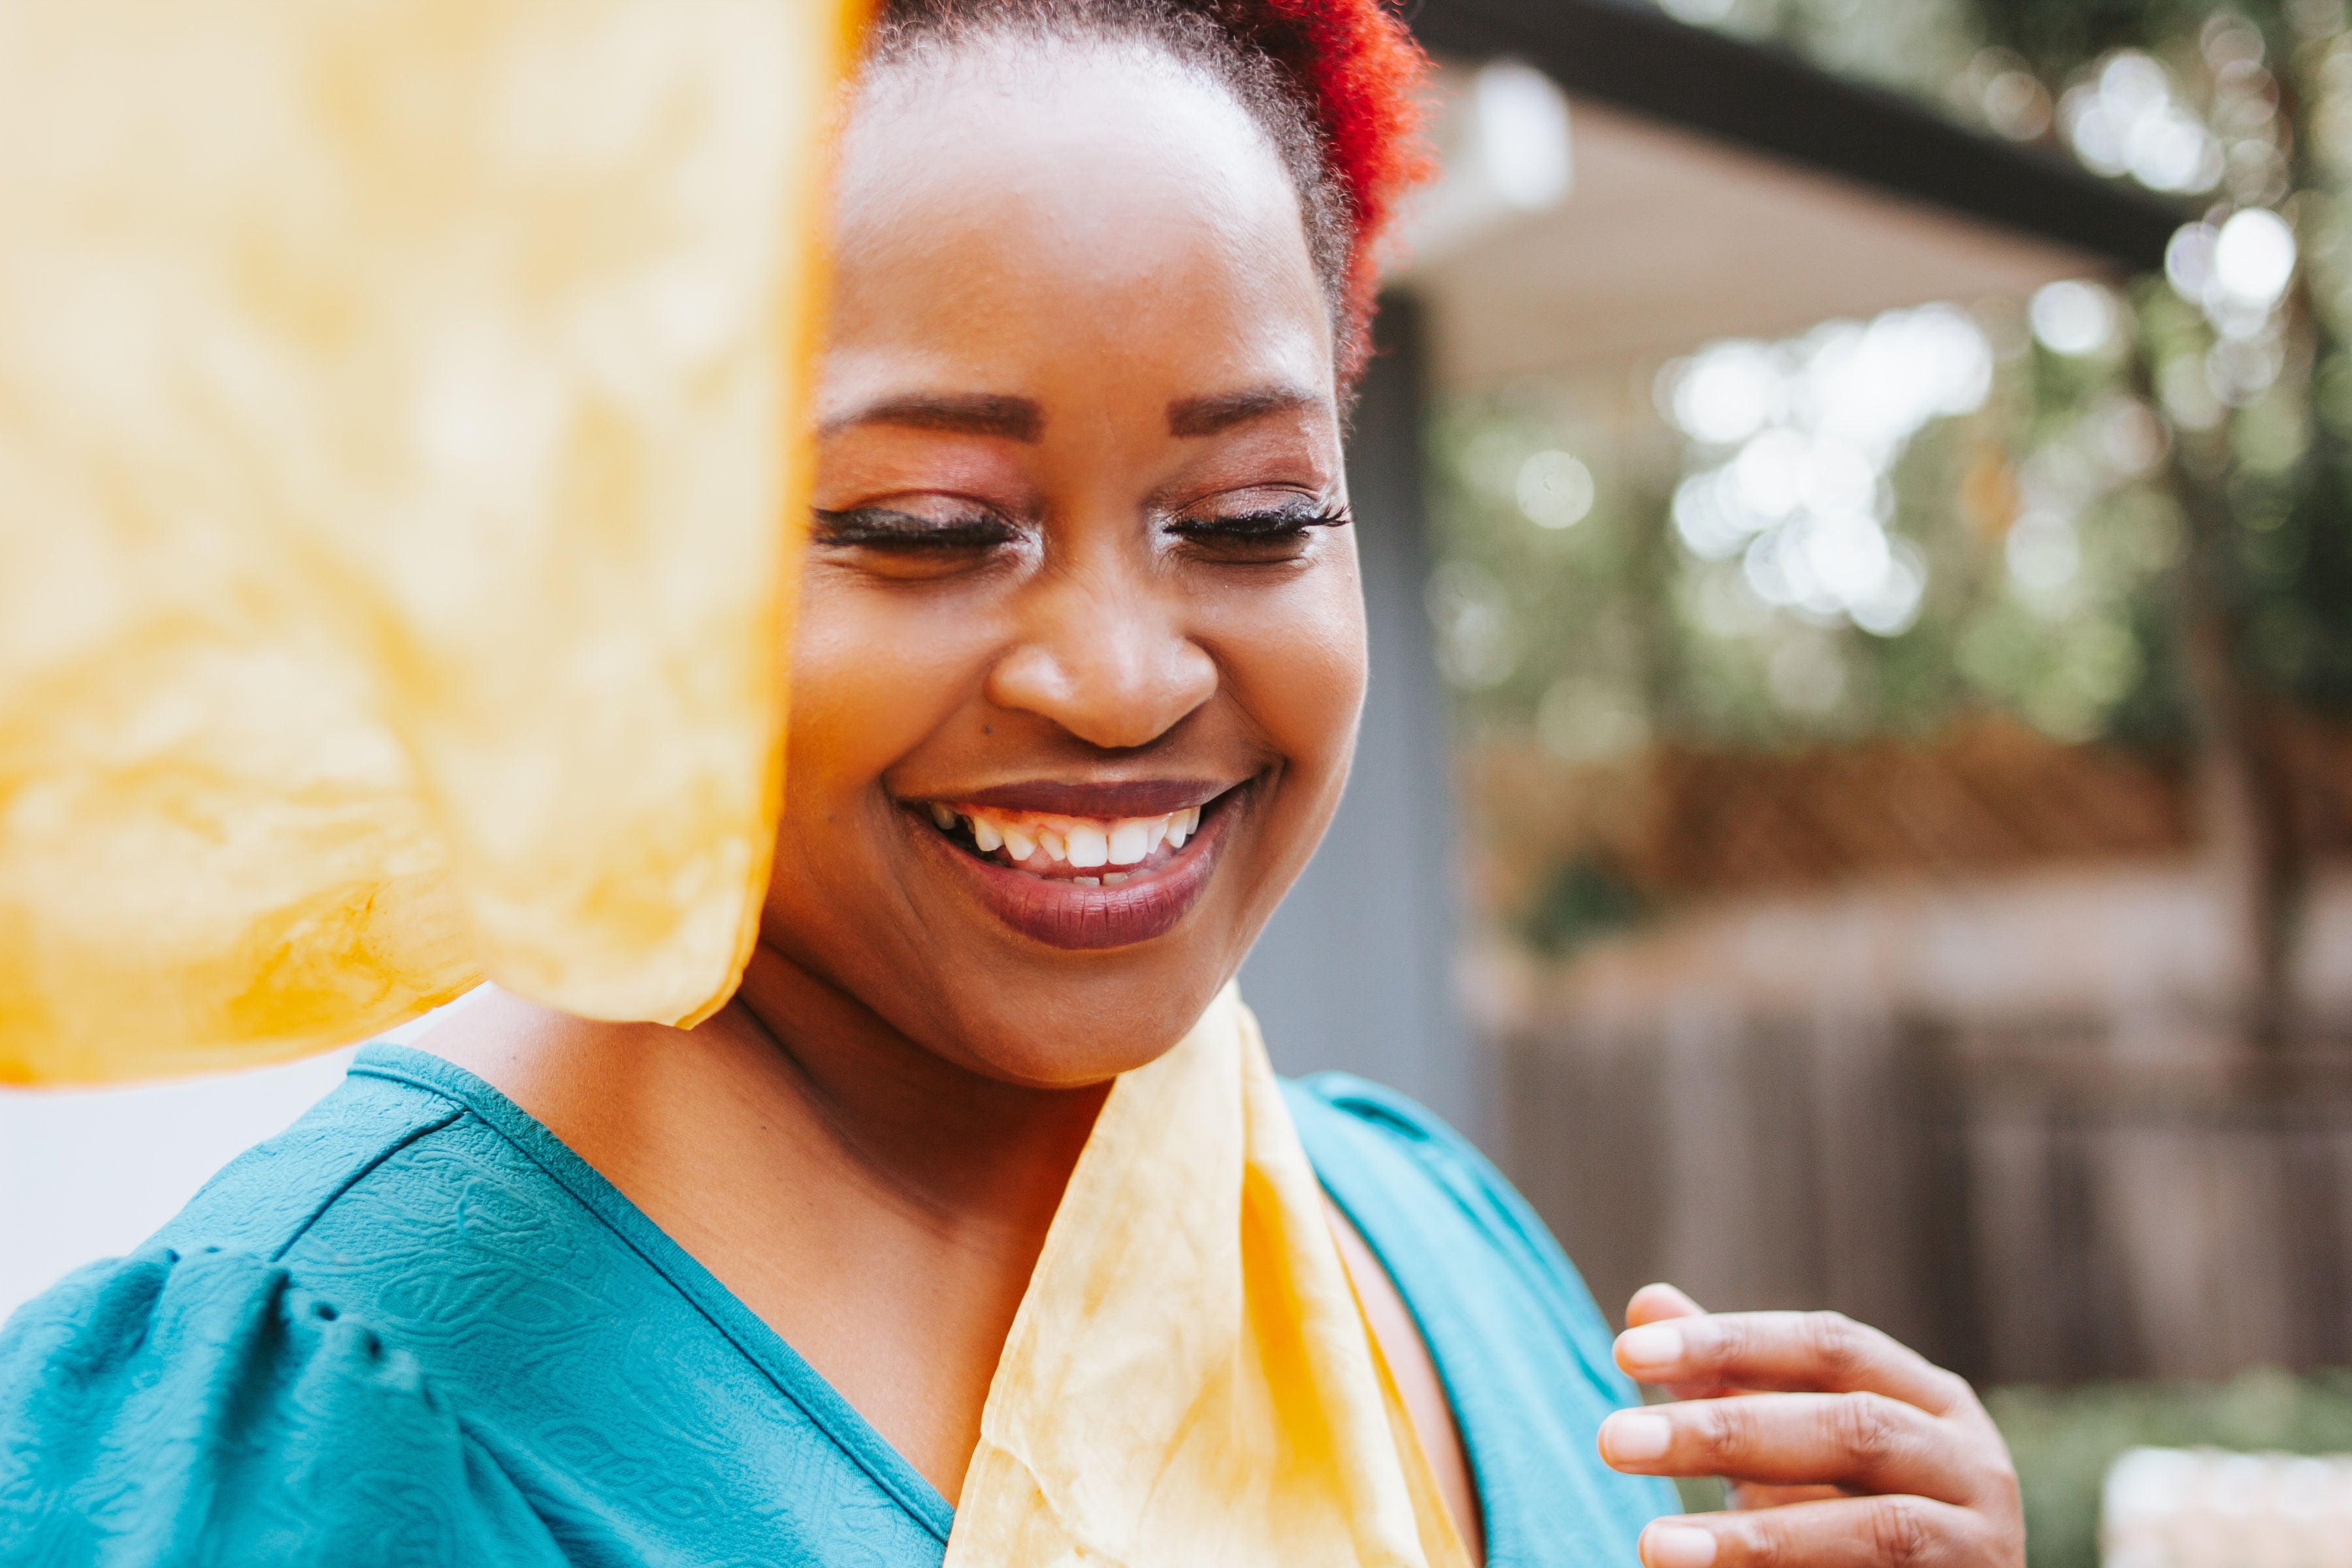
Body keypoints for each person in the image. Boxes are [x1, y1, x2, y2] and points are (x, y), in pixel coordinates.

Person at [0, 1, 2026, 1563]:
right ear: (609, 559)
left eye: (1250, 514)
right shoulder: (305, 1436)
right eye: (923, 527)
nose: (1121, 677)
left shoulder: (1439, 1252)